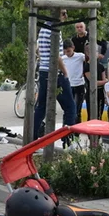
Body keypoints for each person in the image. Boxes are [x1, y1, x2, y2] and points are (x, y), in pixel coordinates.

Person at [33, 8, 76, 139]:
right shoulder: (55, 29)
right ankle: (67, 139)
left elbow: (38, 50)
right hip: (55, 73)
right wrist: (65, 73)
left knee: (41, 107)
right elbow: (57, 55)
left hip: (43, 71)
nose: (66, 16)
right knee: (70, 107)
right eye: (64, 13)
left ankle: (32, 137)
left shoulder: (44, 28)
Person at [61, 39, 86, 124]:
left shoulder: (80, 56)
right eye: (65, 52)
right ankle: (66, 127)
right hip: (68, 85)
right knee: (68, 108)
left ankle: (76, 132)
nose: (67, 53)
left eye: (69, 51)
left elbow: (88, 61)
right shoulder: (63, 58)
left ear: (73, 48)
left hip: (79, 84)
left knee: (77, 108)